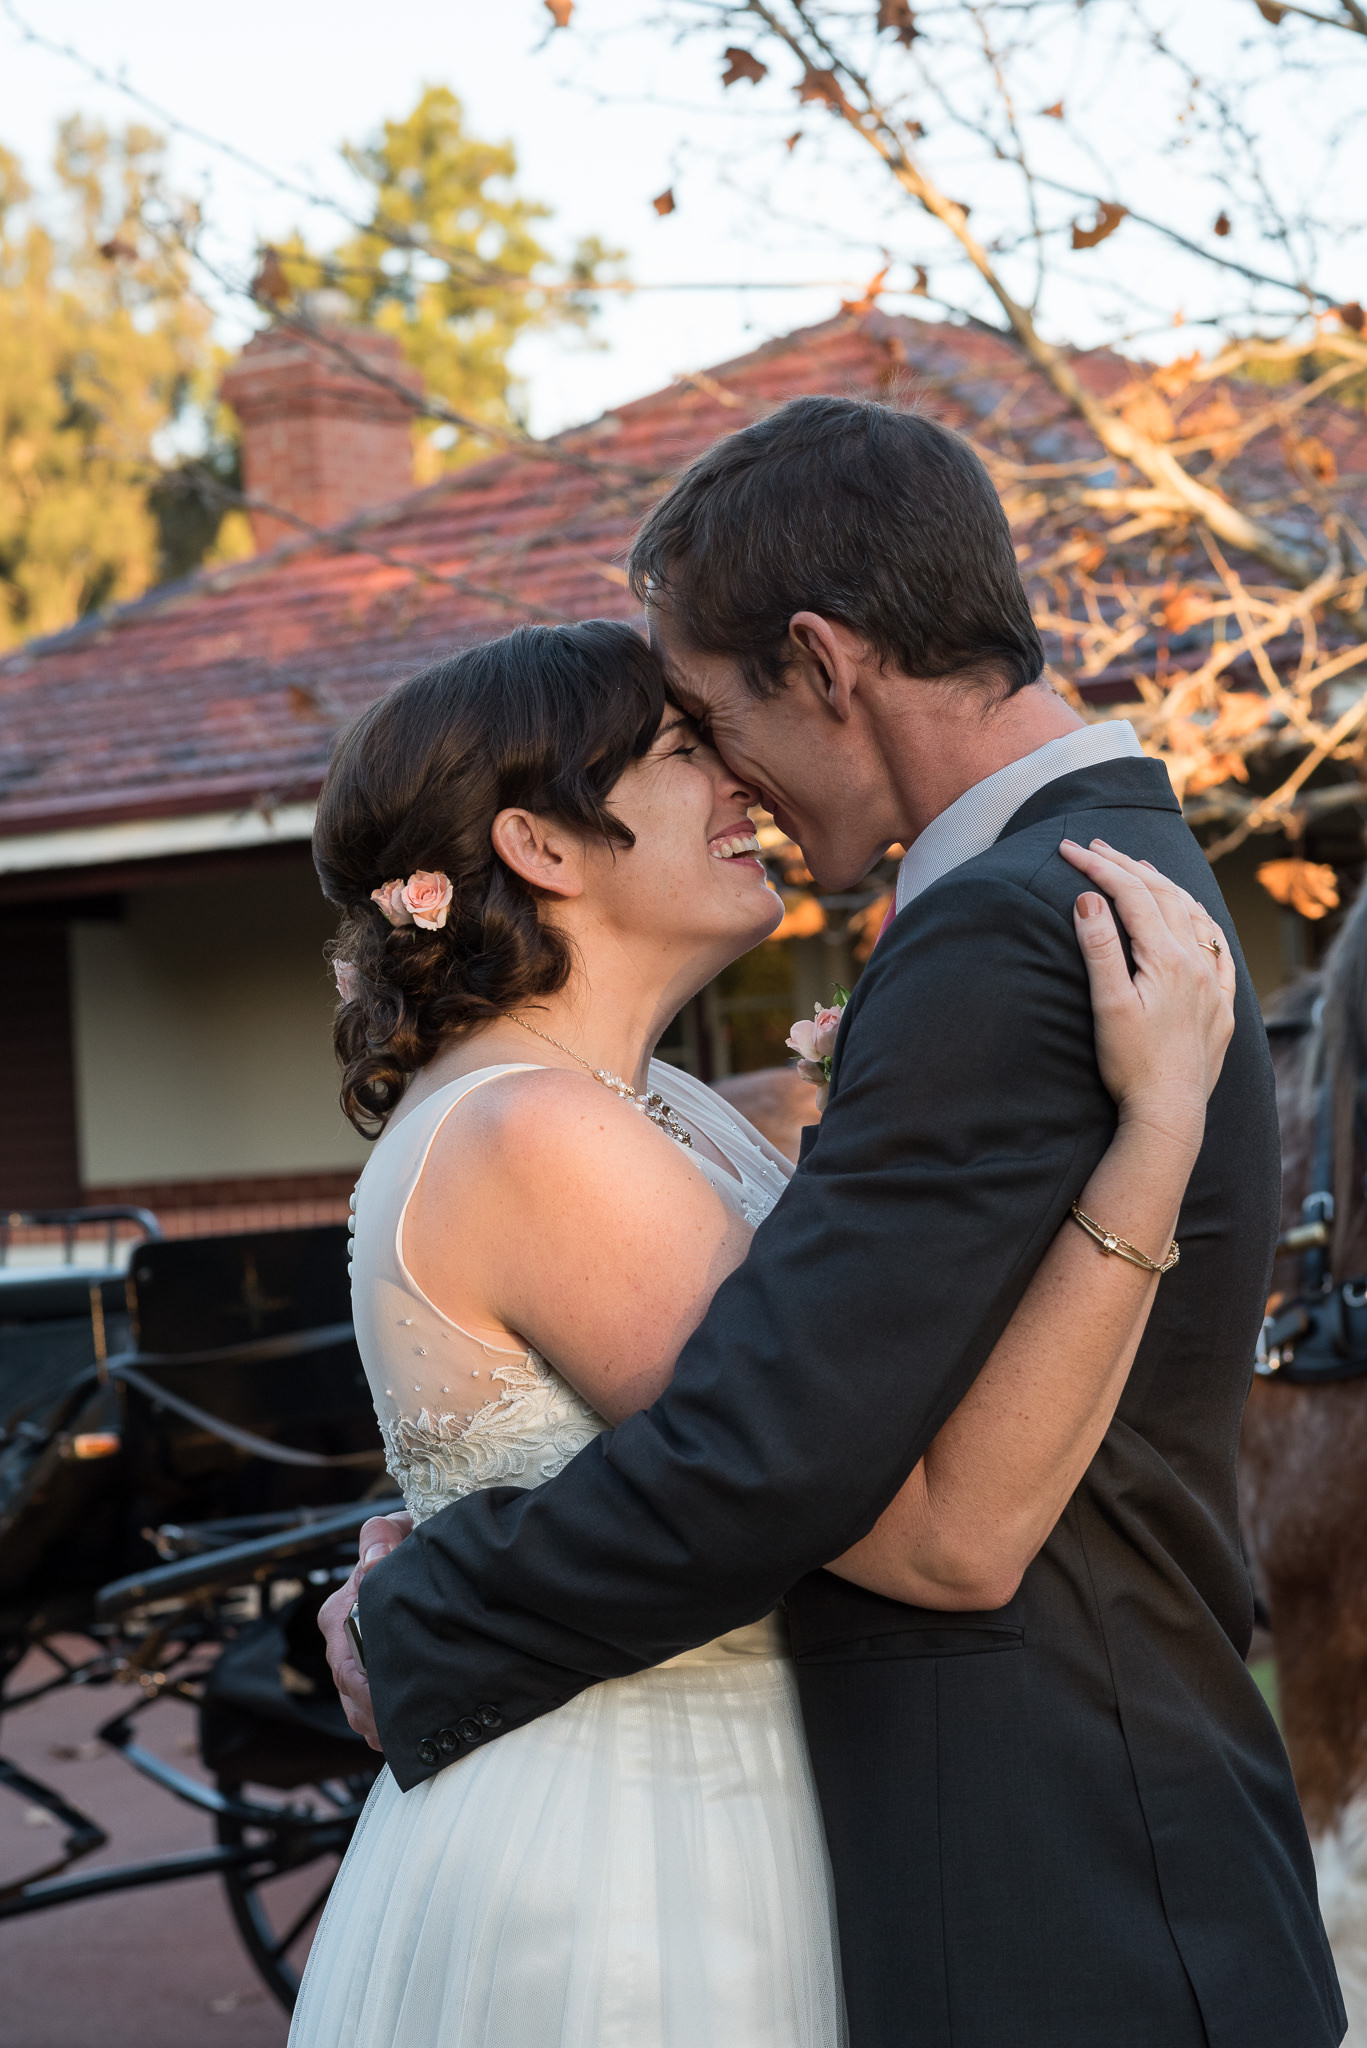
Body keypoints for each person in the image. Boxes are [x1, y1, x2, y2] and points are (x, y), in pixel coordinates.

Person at [319, 401, 1344, 2048]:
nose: (735, 782)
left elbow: (822, 1479)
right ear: (538, 848)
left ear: (823, 662)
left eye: (715, 720)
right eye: (678, 754)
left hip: (1059, 1834)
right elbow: (777, 1420)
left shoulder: (1014, 930)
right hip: (714, 1857)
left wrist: (416, 1617)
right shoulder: (1075, 893)